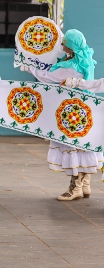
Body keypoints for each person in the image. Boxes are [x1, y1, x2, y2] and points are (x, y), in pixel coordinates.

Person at [23, 29, 102, 201]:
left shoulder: (71, 67)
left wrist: (29, 67)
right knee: (83, 147)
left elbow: (48, 77)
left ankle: (75, 188)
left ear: (72, 46)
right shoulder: (85, 59)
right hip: (84, 109)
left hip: (73, 112)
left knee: (75, 148)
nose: (62, 45)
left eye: (65, 43)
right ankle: (85, 185)